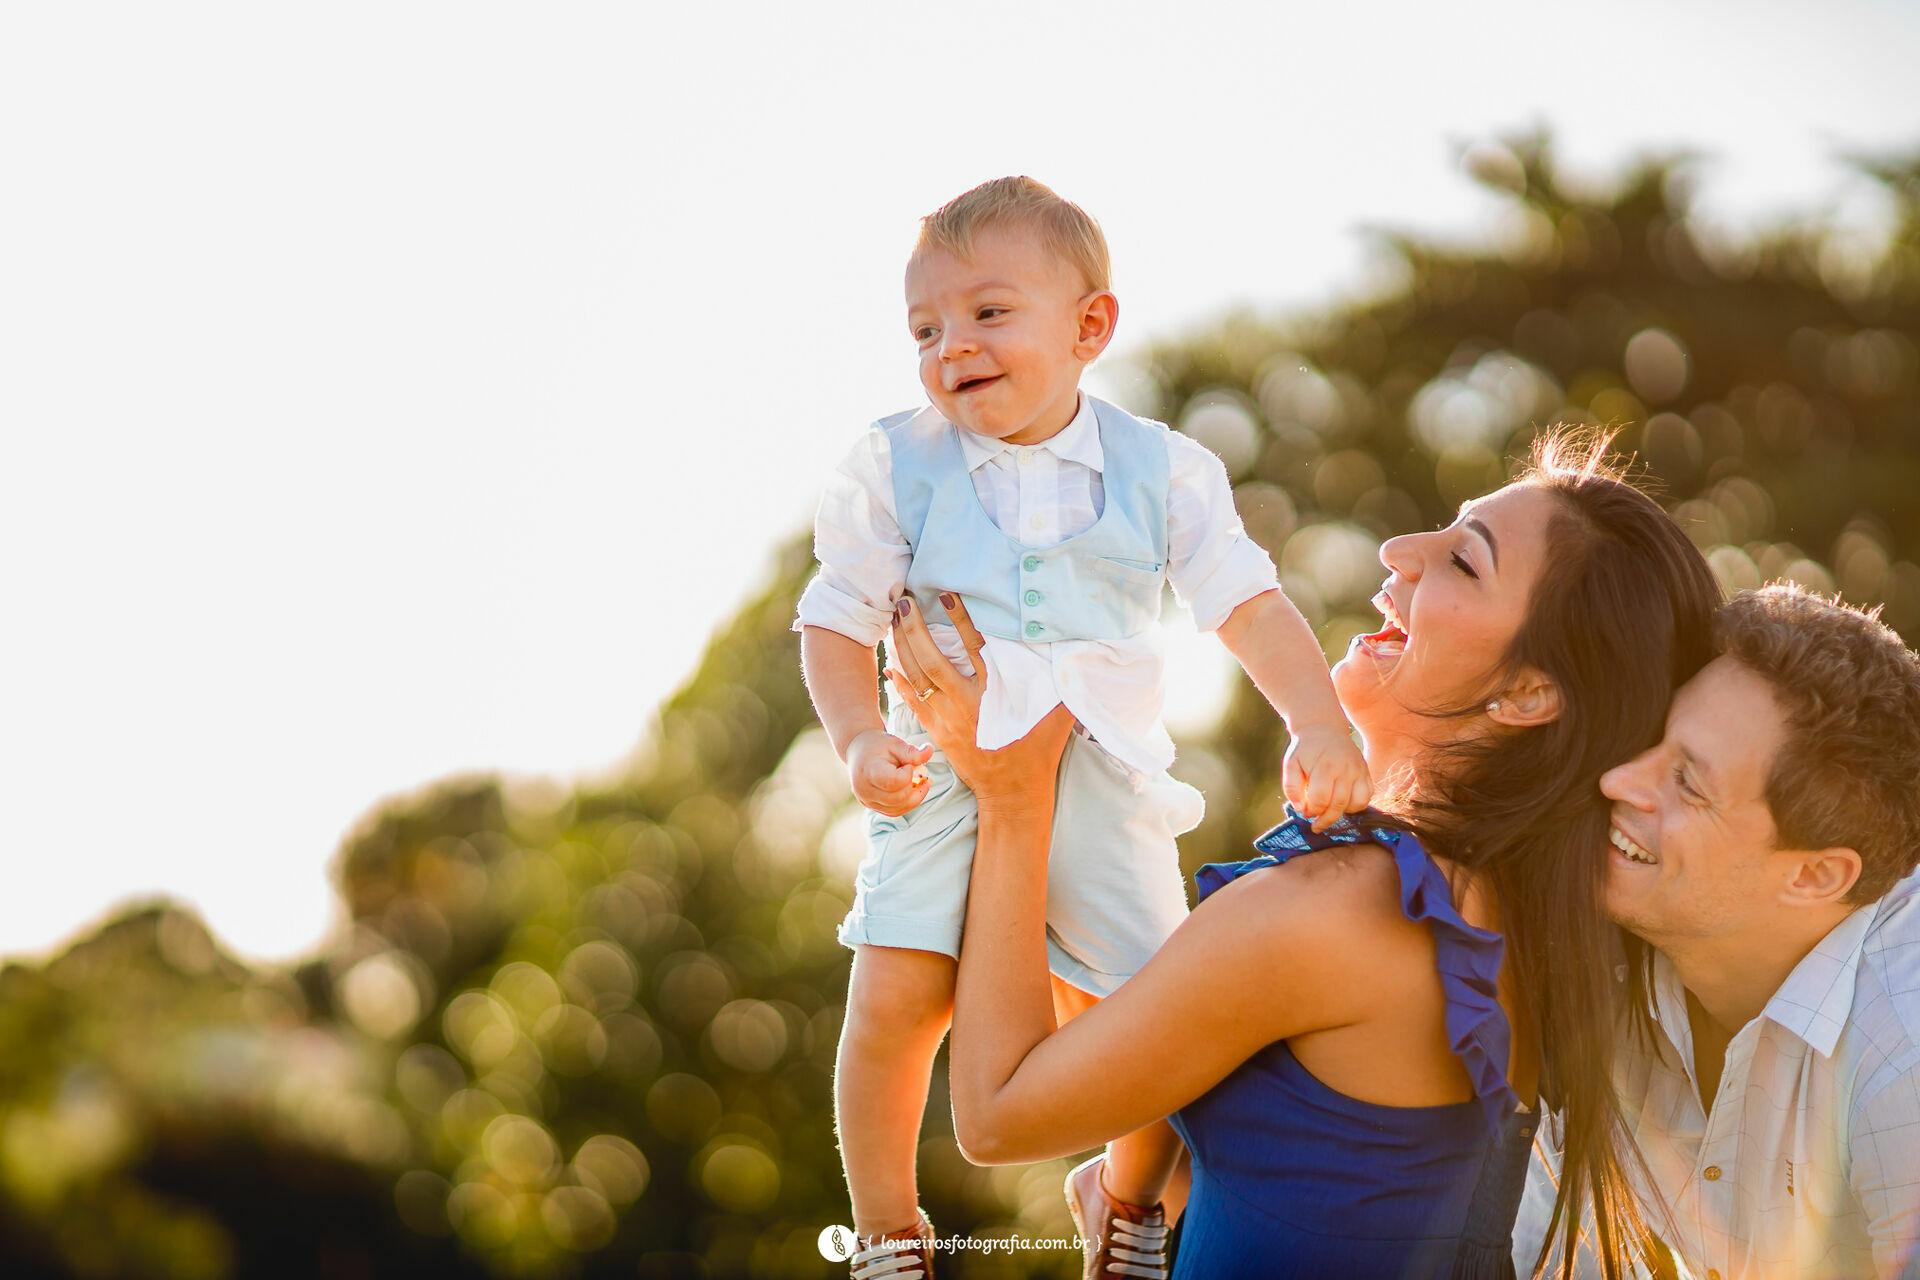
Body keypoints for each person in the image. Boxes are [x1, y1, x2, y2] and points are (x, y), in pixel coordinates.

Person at [887, 436, 1724, 1280]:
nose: (1402, 551)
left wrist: (1013, 797)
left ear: (1530, 695)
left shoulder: (1334, 912)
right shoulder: (1513, 917)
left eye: (1465, 563)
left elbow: (997, 1118)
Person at [794, 176, 1370, 1277]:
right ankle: (886, 1227)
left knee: (1159, 1008)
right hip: (944, 777)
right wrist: (860, 738)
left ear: (1091, 326)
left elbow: (1248, 602)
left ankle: (1127, 1200)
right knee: (894, 998)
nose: (951, 345)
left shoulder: (1163, 470)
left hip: (1102, 772)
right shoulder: (893, 464)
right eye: (925, 327)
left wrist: (1322, 721)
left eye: (988, 313)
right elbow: (832, 619)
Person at [1514, 585, 1920, 1279]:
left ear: (1815, 876)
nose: (1616, 780)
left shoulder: (1903, 1049)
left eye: (1688, 784)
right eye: (1653, 743)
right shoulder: (1603, 956)